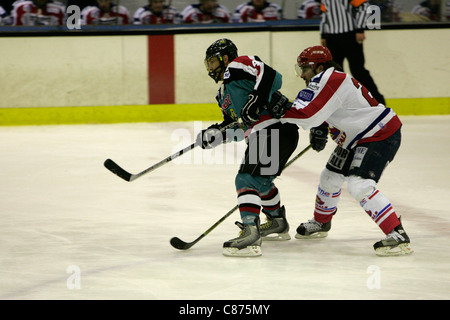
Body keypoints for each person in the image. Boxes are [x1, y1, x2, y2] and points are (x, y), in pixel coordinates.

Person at [265, 45, 413, 256]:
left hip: (379, 134)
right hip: (357, 137)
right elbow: (325, 110)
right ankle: (321, 222)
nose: (302, 75)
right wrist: (321, 126)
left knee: (359, 184)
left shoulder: (330, 78)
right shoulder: (326, 80)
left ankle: (397, 235)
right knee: (330, 177)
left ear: (319, 67)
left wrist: (282, 111)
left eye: (305, 69)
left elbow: (307, 115)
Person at [199, 38, 299, 257]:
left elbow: (273, 76)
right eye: (208, 64)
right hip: (264, 134)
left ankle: (250, 234)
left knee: (245, 180)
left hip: (274, 129)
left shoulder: (237, 66)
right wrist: (215, 135)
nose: (211, 68)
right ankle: (277, 222)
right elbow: (237, 126)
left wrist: (257, 97)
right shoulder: (222, 95)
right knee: (261, 183)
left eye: (213, 62)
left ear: (225, 58)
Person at [319, 0, 385, 106]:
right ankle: (341, 104)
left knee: (358, 71)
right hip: (332, 37)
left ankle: (378, 101)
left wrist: (360, 29)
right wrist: (323, 34)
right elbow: (325, 14)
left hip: (350, 35)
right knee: (335, 73)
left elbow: (364, 8)